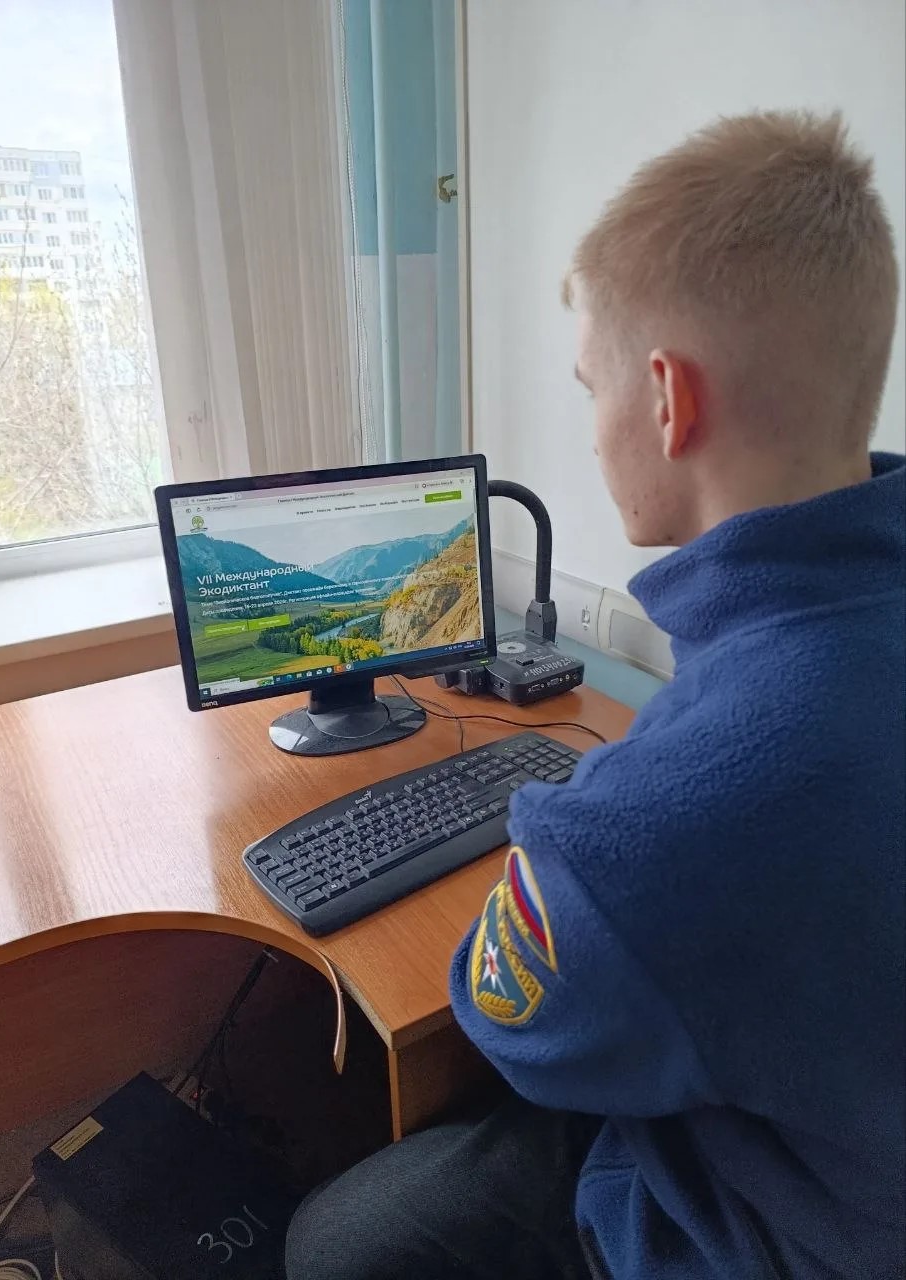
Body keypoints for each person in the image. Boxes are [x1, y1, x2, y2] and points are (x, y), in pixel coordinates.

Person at [284, 110, 905, 1280]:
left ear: (667, 399)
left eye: (589, 387)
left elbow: (506, 1018)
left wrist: (570, 822)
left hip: (752, 1223)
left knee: (335, 1243)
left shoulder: (666, 818)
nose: (592, 429)